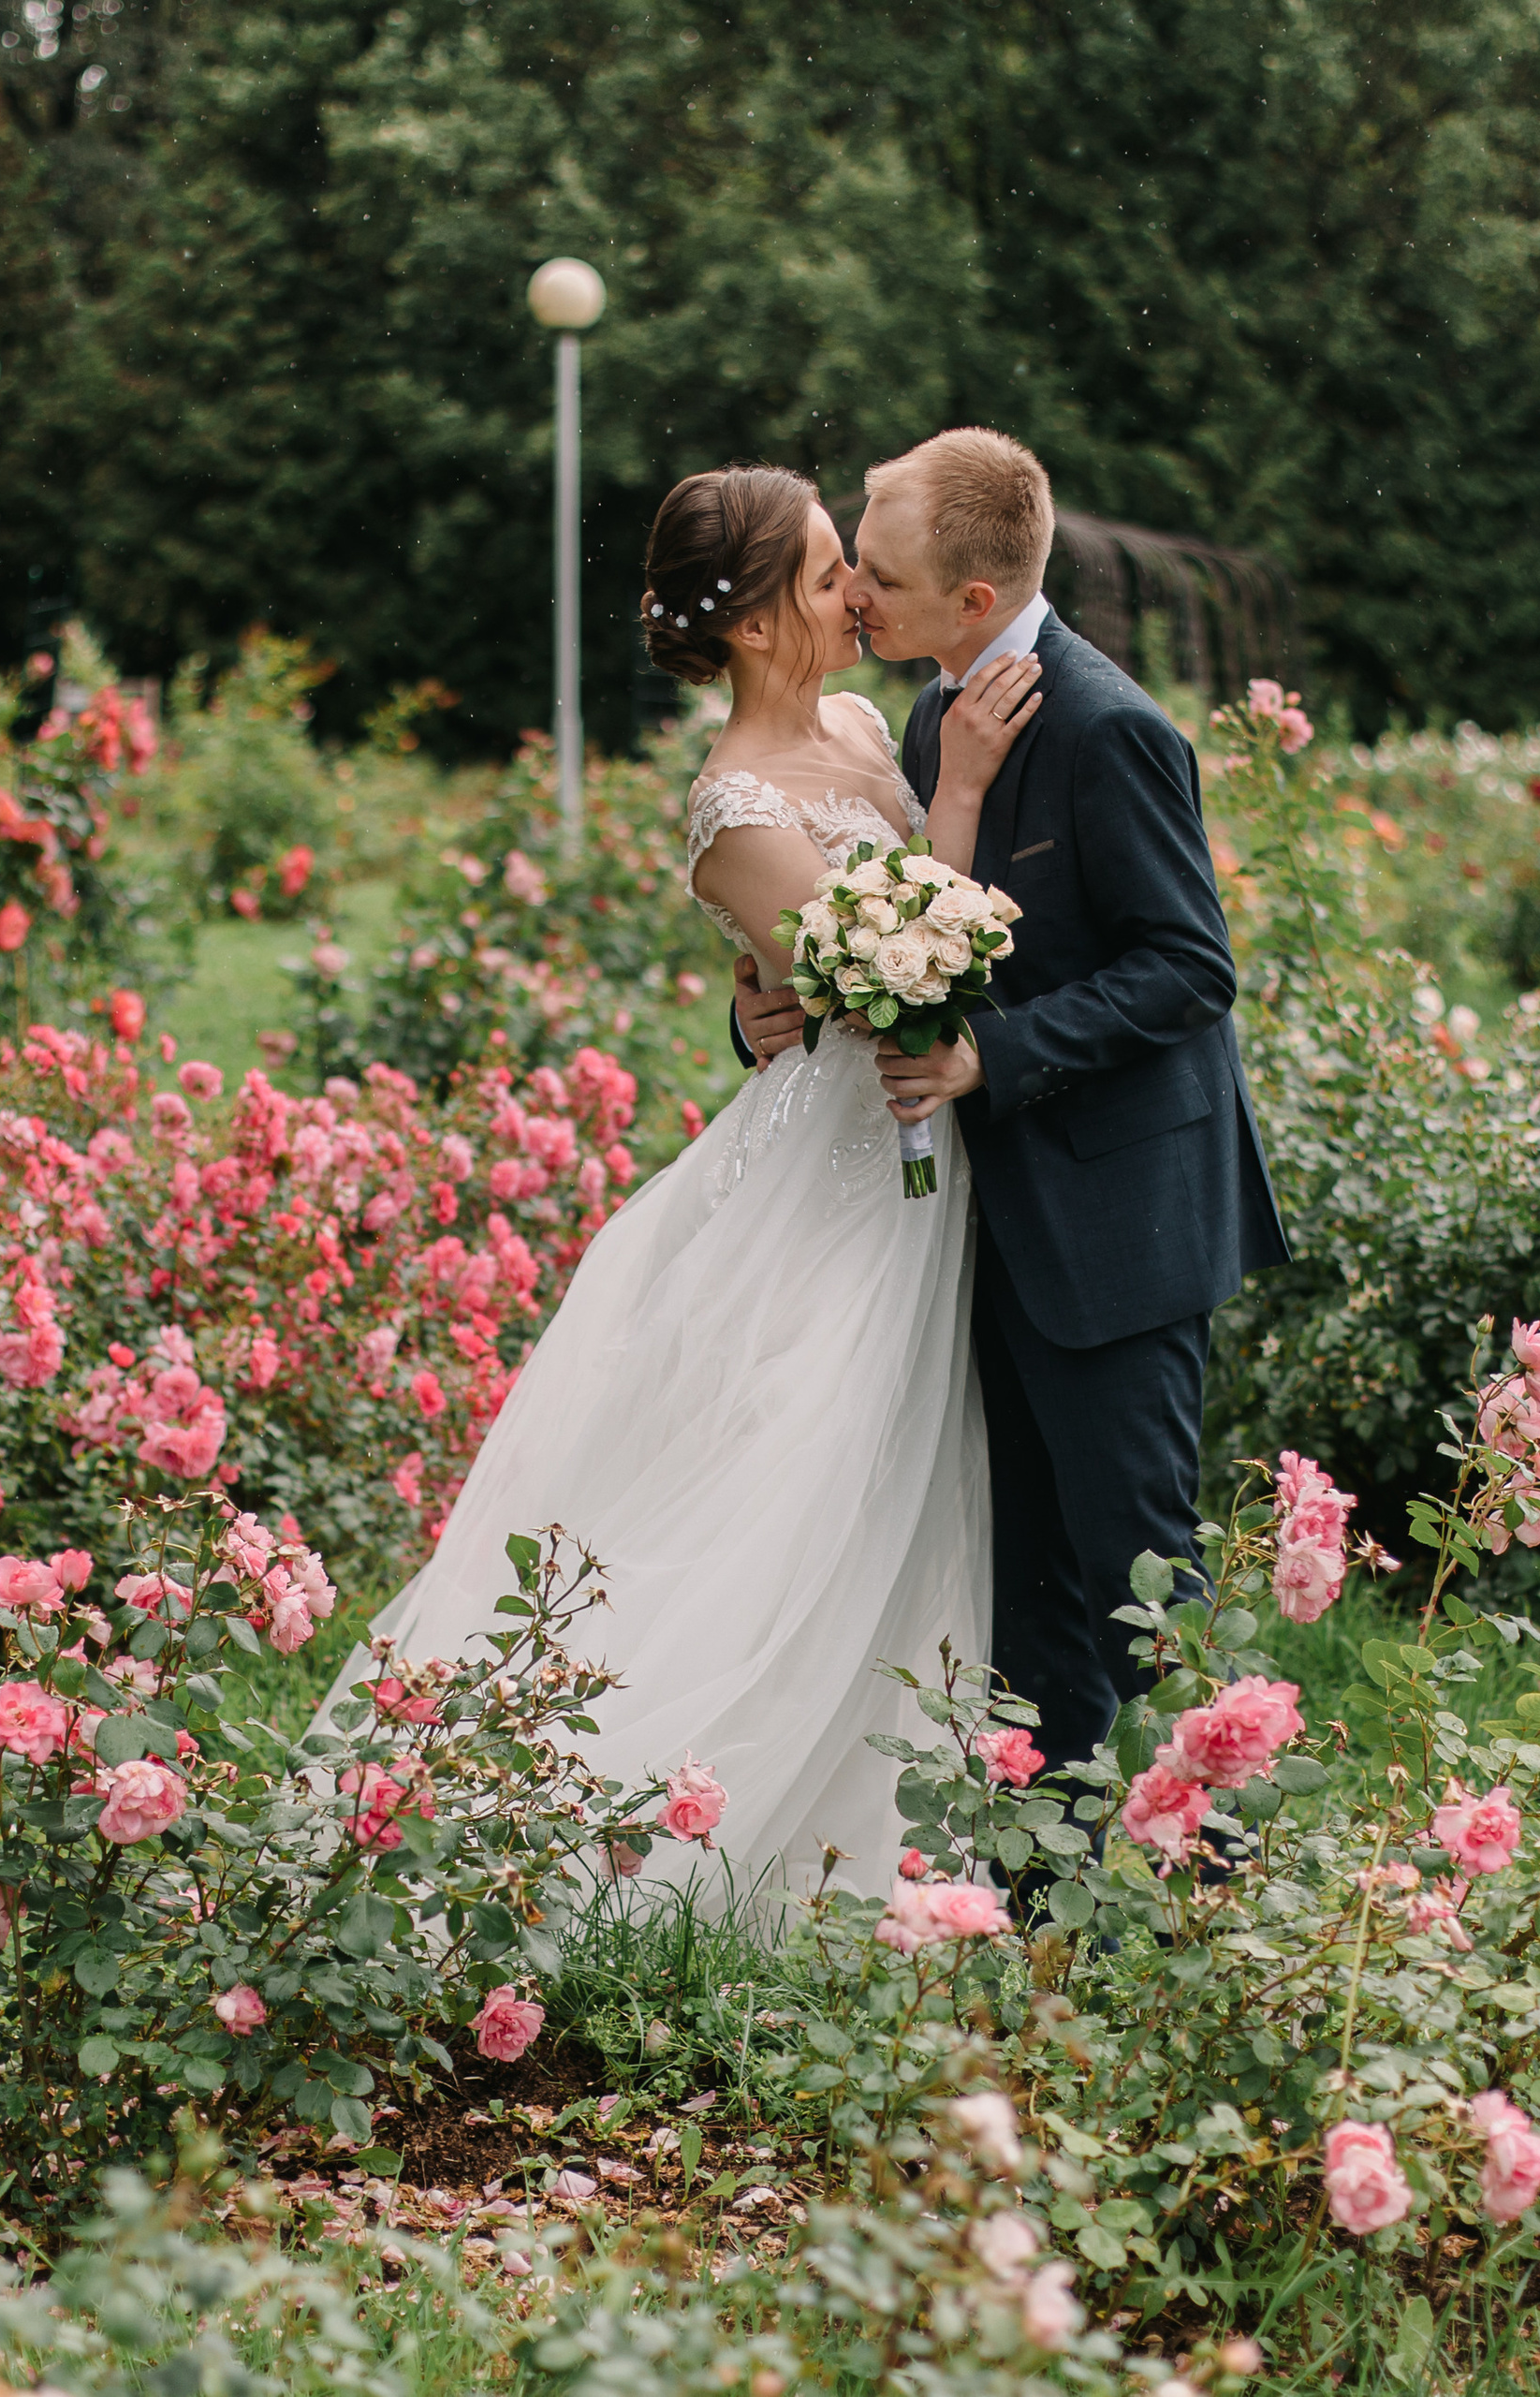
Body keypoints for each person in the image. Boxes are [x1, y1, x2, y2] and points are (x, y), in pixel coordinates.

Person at [316, 464, 1036, 1900]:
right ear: (765, 623)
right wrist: (954, 789)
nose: (855, 593)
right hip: (841, 1175)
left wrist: (768, 977)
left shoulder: (851, 718)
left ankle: (882, 1812)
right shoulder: (734, 805)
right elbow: (906, 988)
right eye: (833, 572)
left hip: (909, 1144)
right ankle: (632, 1836)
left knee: (885, 1469)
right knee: (803, 1465)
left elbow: (826, 960)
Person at [734, 428, 1289, 1794]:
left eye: (879, 573)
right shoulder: (936, 710)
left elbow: (1189, 970)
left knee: (1146, 1582)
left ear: (974, 601)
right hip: (989, 1227)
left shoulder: (1112, 729)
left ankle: (1232, 1889)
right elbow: (901, 923)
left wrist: (995, 1055)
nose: (854, 592)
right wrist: (779, 1009)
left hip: (1117, 1227)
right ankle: (1048, 1908)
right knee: (1029, 1591)